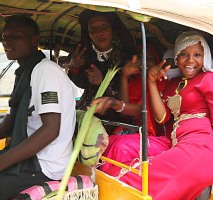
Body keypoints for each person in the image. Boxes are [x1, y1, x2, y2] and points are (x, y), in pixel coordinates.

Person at [102, 31, 213, 200]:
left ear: (204, 57)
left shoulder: (210, 79)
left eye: (197, 54)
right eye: (184, 54)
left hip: (200, 148)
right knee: (119, 146)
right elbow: (162, 118)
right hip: (175, 143)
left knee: (137, 180)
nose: (190, 60)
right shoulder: (173, 84)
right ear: (176, 58)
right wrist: (152, 82)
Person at [0, 15, 76, 199]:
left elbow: (50, 130)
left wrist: (2, 160)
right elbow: (12, 119)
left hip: (45, 166)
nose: (6, 41)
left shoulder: (45, 71)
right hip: (29, 160)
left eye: (14, 36)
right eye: (4, 36)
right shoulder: (25, 71)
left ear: (34, 40)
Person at [91, 43, 172, 173]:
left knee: (120, 146)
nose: (145, 61)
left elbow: (141, 109)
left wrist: (114, 103)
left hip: (154, 134)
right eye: (141, 57)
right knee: (105, 142)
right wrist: (124, 76)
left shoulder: (161, 82)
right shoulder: (134, 81)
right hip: (133, 128)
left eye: (150, 58)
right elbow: (125, 114)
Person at [67, 9, 135, 134]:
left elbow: (129, 95)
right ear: (89, 34)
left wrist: (102, 83)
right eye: (93, 29)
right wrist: (74, 68)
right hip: (86, 112)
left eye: (104, 26)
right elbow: (81, 84)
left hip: (116, 118)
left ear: (112, 30)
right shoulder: (85, 56)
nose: (100, 32)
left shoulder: (126, 58)